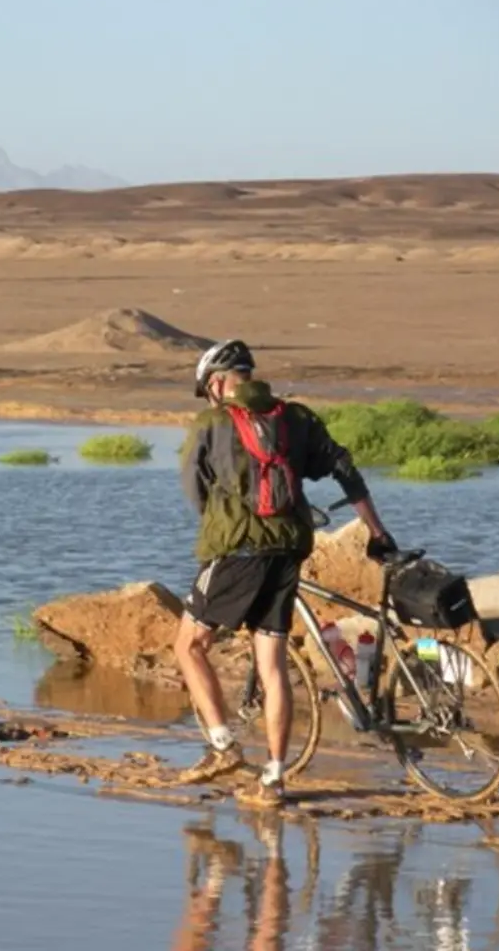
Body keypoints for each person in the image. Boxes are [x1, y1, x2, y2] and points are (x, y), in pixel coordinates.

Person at [174, 338, 396, 806]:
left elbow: (195, 492)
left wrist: (223, 526)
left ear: (216, 384)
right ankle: (273, 780)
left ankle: (222, 747)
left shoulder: (211, 422)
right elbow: (342, 466)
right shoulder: (295, 418)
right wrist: (375, 529)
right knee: (271, 664)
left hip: (236, 551)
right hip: (292, 547)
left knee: (189, 645)